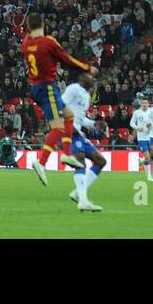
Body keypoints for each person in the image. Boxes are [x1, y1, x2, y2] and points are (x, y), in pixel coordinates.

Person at [21, 12, 92, 185]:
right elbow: (66, 59)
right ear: (43, 24)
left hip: (35, 87)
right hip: (47, 87)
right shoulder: (48, 42)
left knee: (69, 115)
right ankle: (41, 162)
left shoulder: (26, 43)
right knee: (58, 127)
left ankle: (67, 155)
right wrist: (86, 68)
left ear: (29, 27)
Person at [60, 72, 105, 212]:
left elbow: (80, 118)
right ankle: (83, 200)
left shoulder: (86, 96)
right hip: (68, 131)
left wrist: (94, 123)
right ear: (82, 78)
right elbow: (60, 106)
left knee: (100, 161)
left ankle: (77, 193)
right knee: (80, 162)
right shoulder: (73, 89)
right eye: (90, 76)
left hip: (78, 134)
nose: (92, 79)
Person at [130, 96, 153, 181]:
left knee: (151, 156)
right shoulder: (137, 113)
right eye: (143, 103)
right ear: (141, 104)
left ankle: (142, 161)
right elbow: (131, 123)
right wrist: (137, 128)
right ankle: (148, 176)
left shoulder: (151, 112)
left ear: (148, 104)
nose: (144, 104)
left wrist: (151, 124)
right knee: (148, 157)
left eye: (146, 103)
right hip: (141, 138)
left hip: (150, 137)